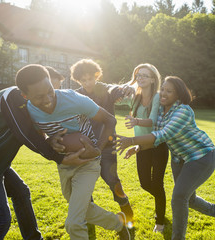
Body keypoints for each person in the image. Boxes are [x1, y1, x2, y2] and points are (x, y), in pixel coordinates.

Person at [0, 71, 95, 239]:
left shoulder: (32, 103)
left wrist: (52, 140)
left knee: (21, 192)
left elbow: (38, 133)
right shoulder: (10, 98)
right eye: (45, 92)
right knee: (0, 220)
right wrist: (59, 157)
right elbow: (24, 134)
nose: (50, 98)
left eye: (52, 91)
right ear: (27, 93)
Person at [16, 64, 131, 240]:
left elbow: (110, 120)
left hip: (88, 162)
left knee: (74, 222)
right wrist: (50, 141)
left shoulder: (74, 99)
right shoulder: (29, 112)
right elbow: (41, 137)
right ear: (25, 96)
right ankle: (118, 223)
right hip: (64, 164)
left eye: (50, 91)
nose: (48, 99)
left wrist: (97, 150)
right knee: (82, 208)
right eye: (39, 97)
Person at [115, 76, 215, 240]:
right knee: (190, 199)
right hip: (180, 159)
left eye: (169, 91)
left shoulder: (183, 111)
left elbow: (163, 134)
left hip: (201, 156)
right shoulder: (160, 111)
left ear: (178, 95)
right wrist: (137, 148)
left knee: (179, 197)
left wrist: (131, 140)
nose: (164, 93)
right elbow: (157, 139)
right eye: (163, 89)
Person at [70, 59, 134, 224]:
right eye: (83, 80)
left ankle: (126, 210)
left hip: (107, 146)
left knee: (112, 179)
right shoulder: (76, 95)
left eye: (90, 78)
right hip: (85, 147)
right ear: (78, 80)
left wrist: (122, 90)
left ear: (96, 76)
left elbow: (114, 89)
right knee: (84, 184)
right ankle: (87, 214)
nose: (87, 82)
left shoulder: (105, 89)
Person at [117, 63, 168, 233]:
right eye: (138, 75)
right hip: (143, 146)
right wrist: (123, 89)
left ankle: (160, 221)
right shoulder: (135, 97)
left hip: (157, 144)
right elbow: (116, 97)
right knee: (145, 184)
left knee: (157, 184)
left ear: (153, 79)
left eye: (145, 75)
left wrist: (136, 121)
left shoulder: (157, 97)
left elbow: (153, 120)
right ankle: (161, 201)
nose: (140, 78)